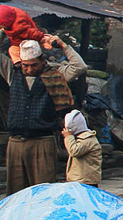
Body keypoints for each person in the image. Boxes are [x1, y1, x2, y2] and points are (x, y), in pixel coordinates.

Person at [1, 36, 87, 195]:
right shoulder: (14, 74)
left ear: (42, 60)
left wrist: (62, 45)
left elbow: (79, 66)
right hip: (16, 143)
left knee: (44, 192)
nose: (29, 69)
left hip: (43, 141)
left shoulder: (56, 74)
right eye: (26, 65)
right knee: (15, 193)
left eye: (34, 65)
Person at [63, 109, 102, 186]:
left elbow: (74, 151)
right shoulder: (81, 139)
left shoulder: (87, 139)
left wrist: (68, 137)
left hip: (86, 180)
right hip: (79, 179)